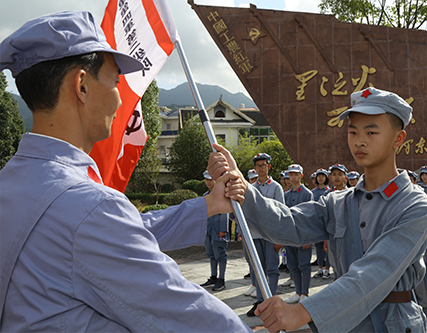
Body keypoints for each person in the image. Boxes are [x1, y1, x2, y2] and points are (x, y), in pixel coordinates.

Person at [0, 11, 251, 332]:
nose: (120, 99)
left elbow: (124, 233)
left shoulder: (13, 183)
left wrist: (208, 205)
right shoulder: (87, 207)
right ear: (82, 86)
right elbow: (189, 315)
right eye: (115, 80)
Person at [208, 87, 427, 332]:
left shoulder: (416, 206)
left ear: (398, 139)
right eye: (352, 132)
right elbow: (289, 225)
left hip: (393, 323)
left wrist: (302, 312)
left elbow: (373, 274)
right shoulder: (338, 202)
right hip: (344, 323)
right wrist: (244, 192)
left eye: (371, 132)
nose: (359, 140)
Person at [246, 153, 285, 317]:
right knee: (258, 267)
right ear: (254, 169)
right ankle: (261, 301)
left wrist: (279, 237)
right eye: (258, 165)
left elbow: (282, 212)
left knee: (272, 267)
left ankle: (272, 299)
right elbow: (248, 212)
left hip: (270, 234)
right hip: (255, 234)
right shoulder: (252, 188)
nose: (261, 168)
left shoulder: (276, 187)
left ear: (268, 167)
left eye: (264, 165)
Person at [284, 164, 314, 304]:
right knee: (292, 265)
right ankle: (297, 291)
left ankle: (305, 293)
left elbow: (310, 216)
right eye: (291, 174)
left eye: (296, 174)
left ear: (301, 176)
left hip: (303, 235)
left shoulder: (307, 194)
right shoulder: (286, 195)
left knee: (304, 265)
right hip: (290, 235)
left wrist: (308, 238)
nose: (293, 177)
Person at [200, 171, 229, 291]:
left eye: (210, 179)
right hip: (208, 229)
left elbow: (225, 212)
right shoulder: (205, 195)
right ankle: (213, 276)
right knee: (211, 254)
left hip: (218, 229)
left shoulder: (221, 194)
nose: (208, 182)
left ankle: (221, 280)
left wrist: (223, 229)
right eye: (206, 179)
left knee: (220, 255)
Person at [311, 168, 332, 279]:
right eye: (318, 176)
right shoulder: (312, 192)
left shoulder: (329, 191)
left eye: (323, 176)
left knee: (327, 247)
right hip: (317, 222)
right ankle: (320, 268)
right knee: (318, 247)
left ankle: (327, 269)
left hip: (326, 222)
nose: (320, 178)